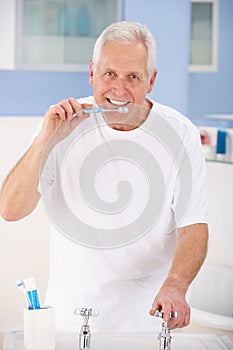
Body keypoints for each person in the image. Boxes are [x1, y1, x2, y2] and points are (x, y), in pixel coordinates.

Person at [0, 21, 208, 333]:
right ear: (91, 73)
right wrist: (45, 140)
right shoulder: (62, 125)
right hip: (70, 318)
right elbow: (11, 210)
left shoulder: (180, 133)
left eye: (133, 77)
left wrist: (176, 286)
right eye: (109, 73)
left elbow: (193, 226)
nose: (119, 90)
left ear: (151, 81)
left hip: (147, 322)